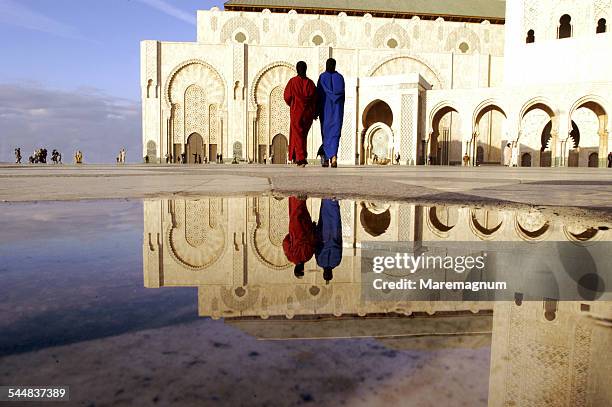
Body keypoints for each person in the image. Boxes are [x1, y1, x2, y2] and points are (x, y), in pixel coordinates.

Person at [284, 61, 317, 168]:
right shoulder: (311, 83)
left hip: (296, 112)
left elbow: (287, 97)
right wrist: (314, 112)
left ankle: (300, 158)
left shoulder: (293, 82)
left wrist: (293, 104)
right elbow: (315, 99)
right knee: (303, 135)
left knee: (298, 135)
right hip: (308, 114)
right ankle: (301, 156)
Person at [317, 58, 345, 168]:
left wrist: (316, 110)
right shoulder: (340, 78)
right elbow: (342, 97)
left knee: (326, 135)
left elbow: (318, 95)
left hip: (325, 110)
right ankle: (334, 157)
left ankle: (325, 160)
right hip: (337, 111)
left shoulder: (322, 77)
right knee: (335, 134)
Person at [282, 196, 318, 279]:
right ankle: (295, 196)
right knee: (295, 211)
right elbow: (286, 242)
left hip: (306, 228)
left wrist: (312, 228)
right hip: (295, 230)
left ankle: (300, 197)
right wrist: (291, 235)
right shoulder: (291, 257)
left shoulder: (308, 256)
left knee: (302, 210)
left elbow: (313, 241)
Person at [315, 199, 342, 283]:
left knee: (334, 218)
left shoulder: (336, 262)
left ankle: (333, 200)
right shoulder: (320, 262)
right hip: (324, 235)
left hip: (333, 235)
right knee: (325, 216)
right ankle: (326, 199)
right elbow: (317, 248)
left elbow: (339, 247)